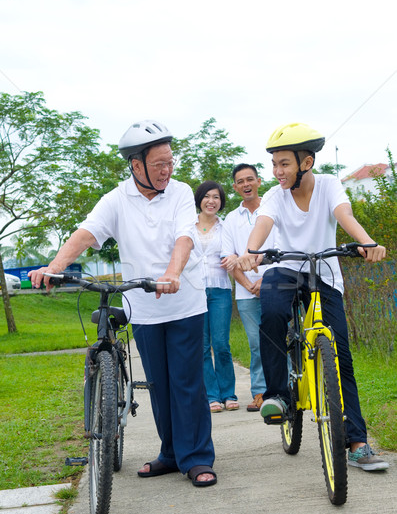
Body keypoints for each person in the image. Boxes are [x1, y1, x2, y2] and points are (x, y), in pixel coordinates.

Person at [29, 120, 217, 487]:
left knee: (186, 383)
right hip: (144, 307)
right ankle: (171, 454)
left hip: (184, 302)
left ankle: (197, 457)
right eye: (159, 163)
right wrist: (55, 265)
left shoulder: (179, 192)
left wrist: (172, 273)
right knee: (160, 385)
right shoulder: (116, 199)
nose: (167, 169)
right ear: (136, 164)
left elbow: (185, 237)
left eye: (170, 161)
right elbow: (87, 232)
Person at [237, 122, 389, 471]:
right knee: (273, 314)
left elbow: (343, 214)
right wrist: (251, 251)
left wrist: (366, 243)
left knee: (341, 357)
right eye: (274, 164)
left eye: (284, 164)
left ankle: (358, 442)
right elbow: (263, 223)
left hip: (324, 271)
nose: (277, 172)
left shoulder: (329, 185)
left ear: (306, 162)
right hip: (284, 267)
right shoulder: (275, 194)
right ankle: (278, 395)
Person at [221, 163, 274, 412]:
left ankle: (284, 390)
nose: (246, 185)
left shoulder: (273, 209)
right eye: (240, 181)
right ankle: (260, 392)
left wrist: (266, 281)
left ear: (258, 181)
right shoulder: (231, 219)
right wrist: (250, 285)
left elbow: (284, 247)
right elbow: (228, 259)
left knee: (281, 339)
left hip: (276, 286)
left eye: (250, 179)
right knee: (256, 342)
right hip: (246, 293)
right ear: (235, 187)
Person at [194, 180, 238, 413]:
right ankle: (211, 396)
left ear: (221, 202)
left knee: (221, 344)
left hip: (220, 290)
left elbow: (235, 251)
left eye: (216, 197)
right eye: (207, 196)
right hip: (194, 292)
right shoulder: (186, 225)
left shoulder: (226, 227)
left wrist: (233, 258)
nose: (211, 201)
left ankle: (228, 394)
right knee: (201, 346)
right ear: (199, 199)